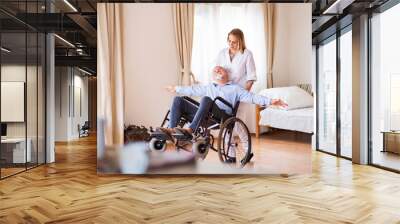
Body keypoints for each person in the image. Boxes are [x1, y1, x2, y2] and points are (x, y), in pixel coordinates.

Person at [162, 67, 287, 139]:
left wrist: (270, 101)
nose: (217, 69)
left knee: (206, 99)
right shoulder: (209, 87)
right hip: (203, 115)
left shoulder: (235, 88)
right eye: (216, 69)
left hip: (220, 117)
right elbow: (192, 89)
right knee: (178, 100)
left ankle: (190, 130)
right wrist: (176, 88)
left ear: (227, 74)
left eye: (220, 69)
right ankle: (171, 131)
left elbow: (252, 97)